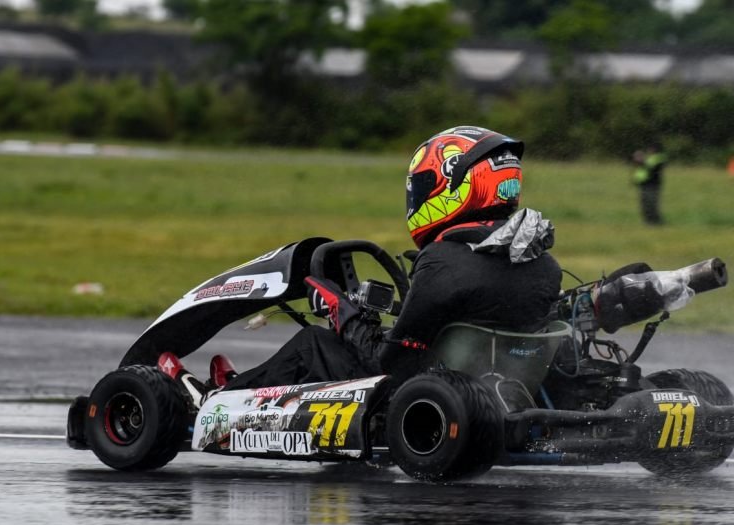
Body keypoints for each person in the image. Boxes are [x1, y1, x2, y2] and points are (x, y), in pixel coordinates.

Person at [221, 126, 562, 390]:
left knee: (313, 343)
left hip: (417, 392)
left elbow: (388, 362)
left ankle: (222, 402)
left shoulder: (444, 261)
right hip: (497, 390)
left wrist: (342, 311)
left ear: (454, 185)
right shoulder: (542, 262)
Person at [631, 143, 667, 225]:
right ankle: (648, 221)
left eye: (651, 148)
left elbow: (651, 169)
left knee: (651, 205)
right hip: (645, 185)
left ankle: (656, 222)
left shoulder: (659, 158)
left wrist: (641, 161)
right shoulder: (650, 159)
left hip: (652, 185)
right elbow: (643, 170)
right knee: (645, 204)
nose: (649, 150)